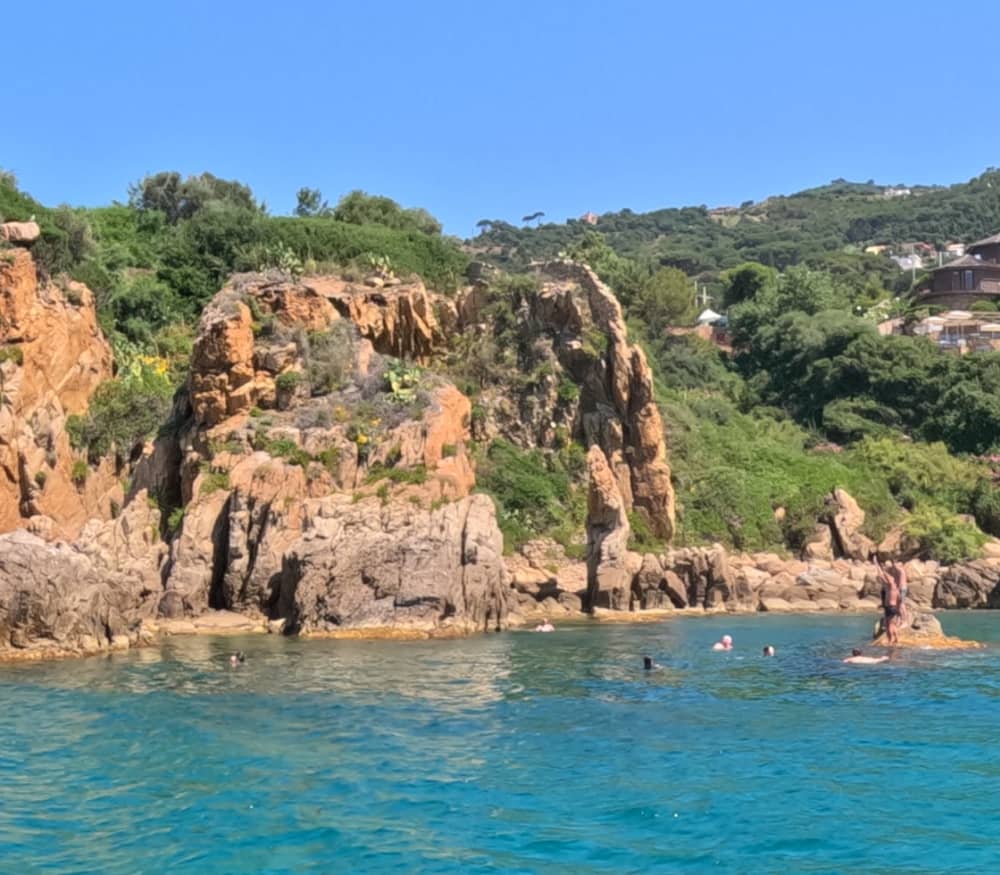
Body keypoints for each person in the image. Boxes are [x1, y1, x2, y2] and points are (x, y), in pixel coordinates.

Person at [875, 556, 900, 645]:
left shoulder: (892, 586)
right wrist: (876, 564)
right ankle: (896, 639)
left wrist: (884, 569)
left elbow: (886, 577)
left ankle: (890, 640)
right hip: (891, 607)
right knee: (892, 624)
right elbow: (881, 576)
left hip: (890, 607)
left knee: (888, 624)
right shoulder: (891, 587)